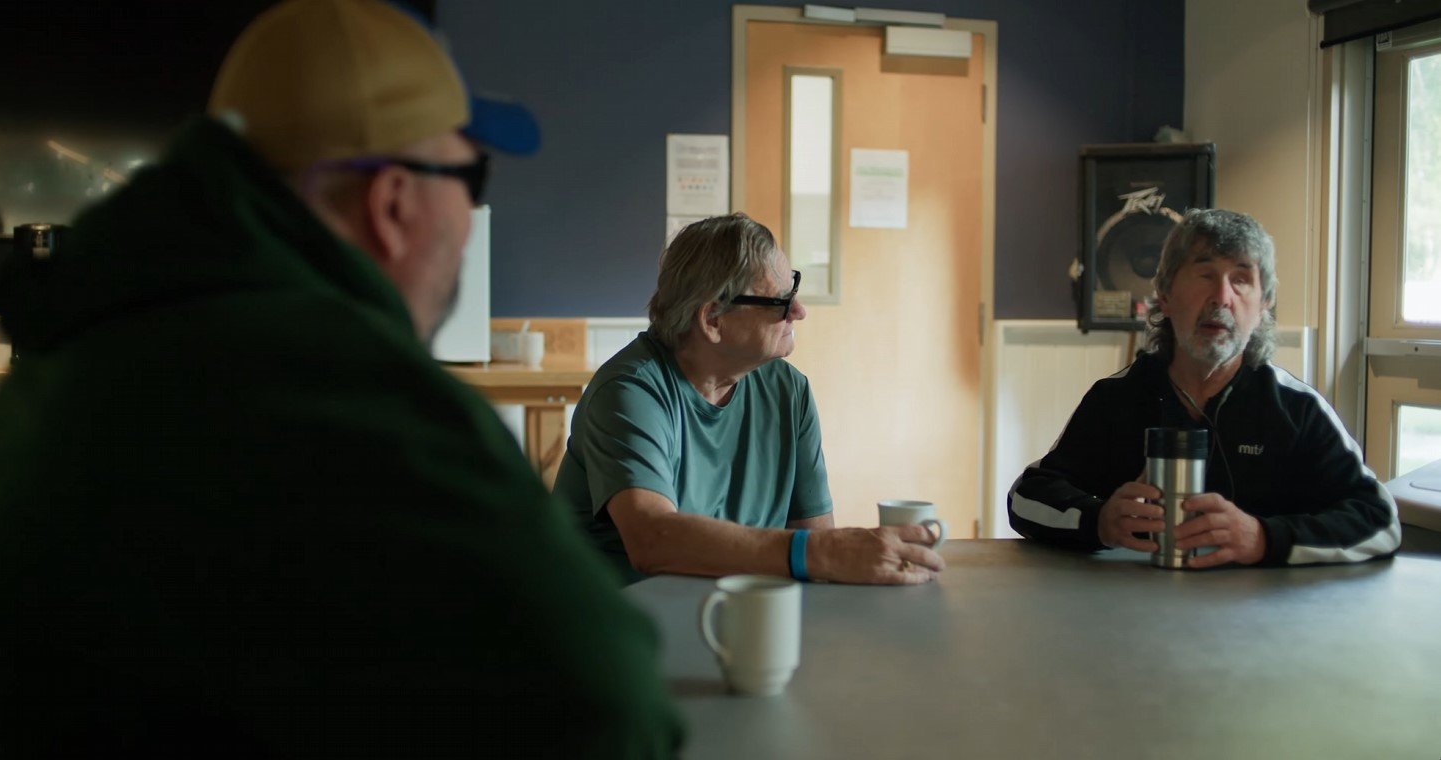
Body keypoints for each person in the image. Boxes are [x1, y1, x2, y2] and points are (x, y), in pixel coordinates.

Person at [0, 1, 682, 756]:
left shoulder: (63, 354)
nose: (472, 213)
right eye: (471, 174)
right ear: (392, 203)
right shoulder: (359, 410)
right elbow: (611, 709)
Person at [555, 213, 946, 585]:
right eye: (779, 301)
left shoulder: (788, 391)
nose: (799, 310)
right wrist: (825, 553)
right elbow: (653, 539)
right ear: (712, 320)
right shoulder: (630, 392)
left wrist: (832, 556)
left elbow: (815, 543)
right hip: (617, 627)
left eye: (793, 288)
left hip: (730, 615)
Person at [1008, 208, 1401, 567]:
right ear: (1165, 293)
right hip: (1131, 621)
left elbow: (1380, 520)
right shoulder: (1117, 398)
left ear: (1263, 304)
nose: (1222, 298)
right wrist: (1098, 520)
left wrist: (1265, 538)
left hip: (1263, 627)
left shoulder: (1295, 408)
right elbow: (1026, 497)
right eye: (1205, 274)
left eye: (1242, 279)